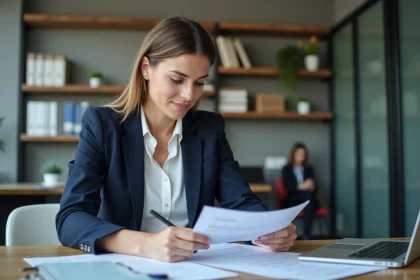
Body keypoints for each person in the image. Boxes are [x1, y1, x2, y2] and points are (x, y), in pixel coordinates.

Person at [56, 16, 297, 262]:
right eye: (177, 79)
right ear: (146, 68)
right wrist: (147, 244)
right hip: (124, 267)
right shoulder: (103, 126)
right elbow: (71, 218)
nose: (188, 95)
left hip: (196, 267)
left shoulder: (209, 129)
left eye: (199, 83)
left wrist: (266, 230)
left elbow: (241, 201)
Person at [281, 142, 320, 239]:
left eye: (303, 154)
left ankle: (307, 235)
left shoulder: (308, 169)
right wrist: (302, 186)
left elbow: (316, 189)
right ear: (293, 154)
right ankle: (307, 234)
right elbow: (288, 188)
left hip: (307, 199)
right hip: (292, 200)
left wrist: (312, 186)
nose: (301, 156)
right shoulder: (287, 169)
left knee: (308, 196)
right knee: (308, 197)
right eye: (299, 154)